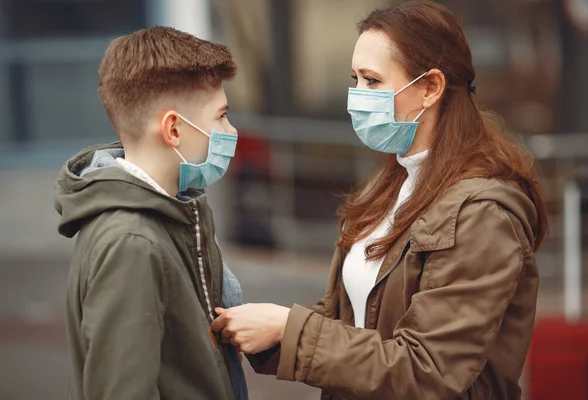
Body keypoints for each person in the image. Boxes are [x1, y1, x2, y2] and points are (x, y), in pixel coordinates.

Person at [211, 1, 549, 399]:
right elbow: (352, 321)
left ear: (431, 88)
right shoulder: (394, 183)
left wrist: (290, 328)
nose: (356, 96)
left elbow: (429, 370)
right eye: (354, 79)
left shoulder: (482, 214)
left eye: (372, 81)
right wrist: (269, 334)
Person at [54, 26, 247, 400]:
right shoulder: (132, 243)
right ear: (173, 129)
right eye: (221, 116)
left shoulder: (173, 210)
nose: (230, 129)